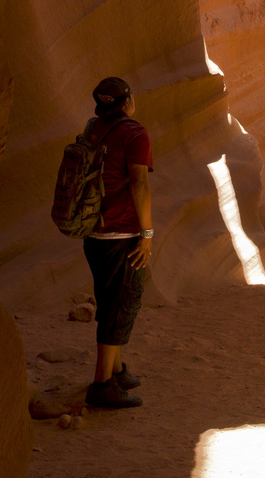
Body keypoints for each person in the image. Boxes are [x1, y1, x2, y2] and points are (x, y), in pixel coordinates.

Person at [80, 77, 154, 408]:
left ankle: (118, 368)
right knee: (120, 305)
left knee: (109, 300)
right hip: (122, 235)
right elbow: (139, 183)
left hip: (93, 233)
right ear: (126, 102)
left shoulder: (93, 127)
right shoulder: (134, 133)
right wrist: (147, 234)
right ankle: (102, 385)